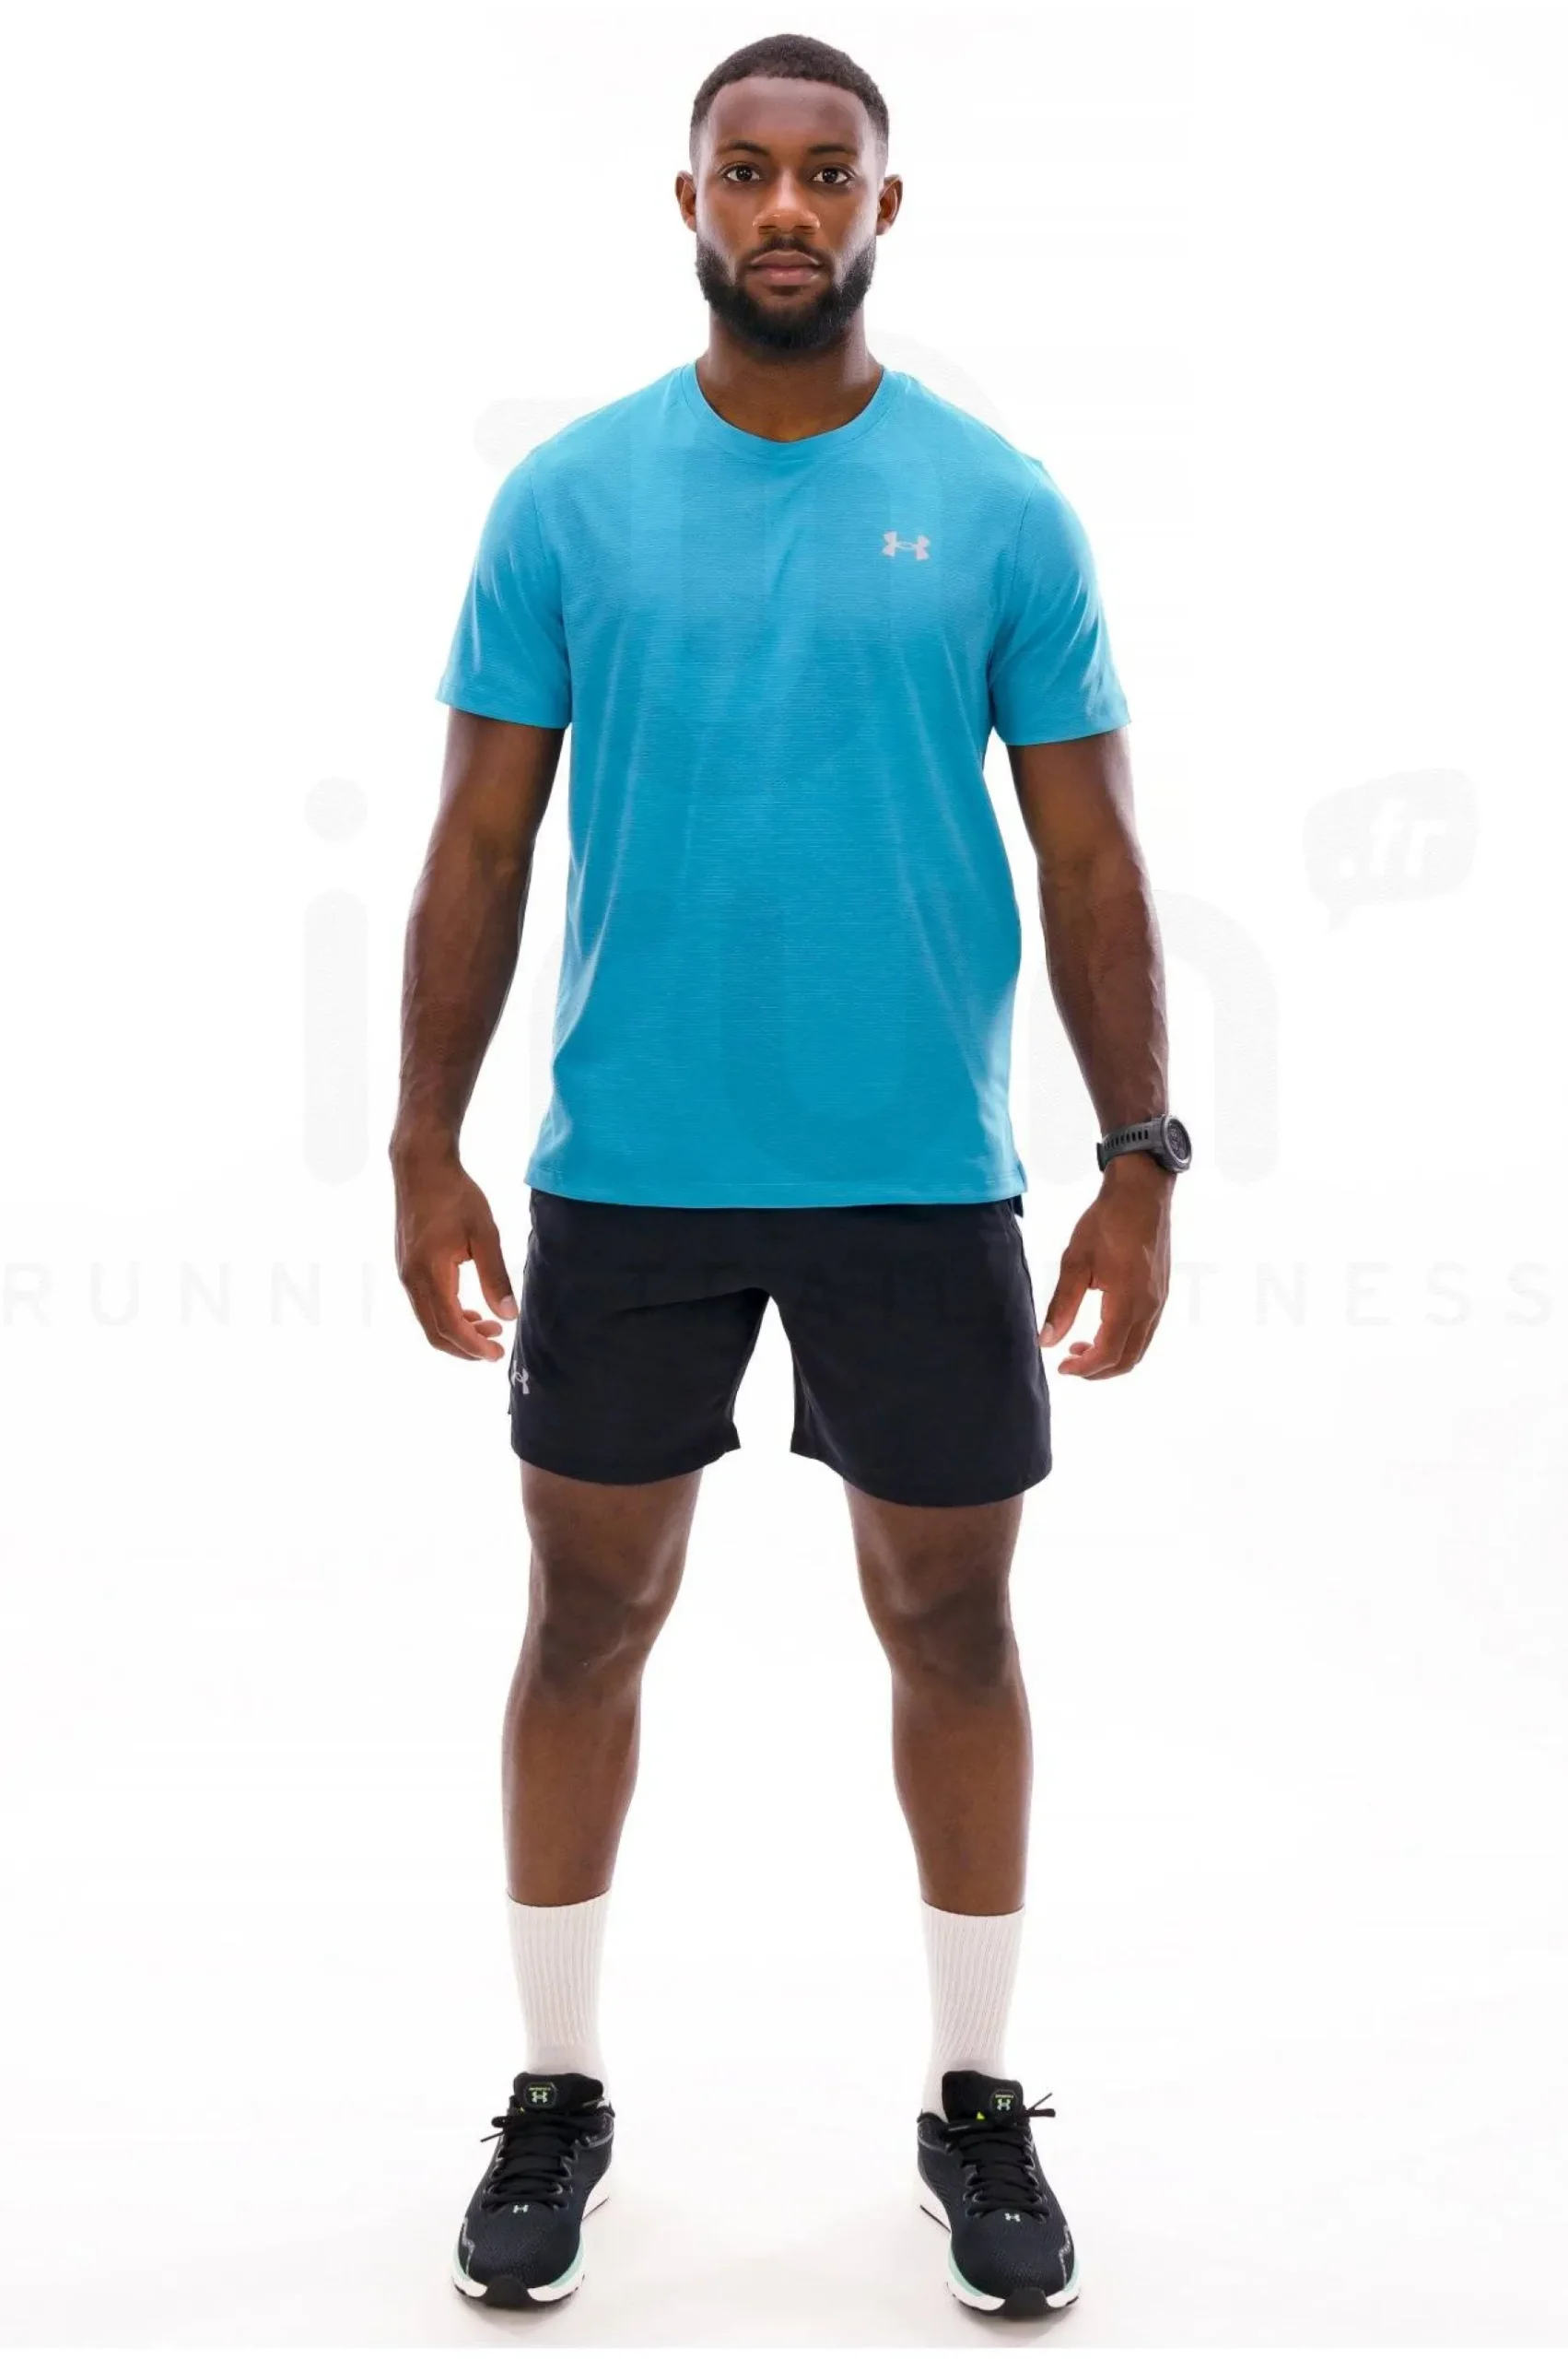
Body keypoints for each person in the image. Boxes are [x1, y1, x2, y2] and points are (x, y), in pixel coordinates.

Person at [391, 29, 1188, 2322]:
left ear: (880, 208)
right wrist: (423, 1144)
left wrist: (1137, 1156)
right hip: (626, 1175)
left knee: (953, 1625)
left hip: (913, 1179)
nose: (781, 209)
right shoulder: (565, 502)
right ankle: (555, 2088)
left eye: (822, 175)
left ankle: (971, 2098)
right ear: (686, 202)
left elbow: (1090, 855)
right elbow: (476, 839)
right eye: (741, 171)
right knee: (583, 1617)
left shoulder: (998, 506)